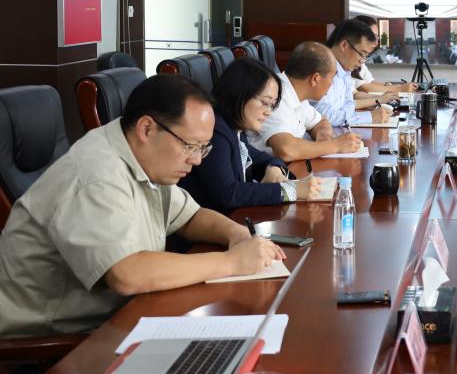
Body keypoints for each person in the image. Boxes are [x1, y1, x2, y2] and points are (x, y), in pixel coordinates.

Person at [0, 75, 285, 338]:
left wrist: (237, 235)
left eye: (203, 148)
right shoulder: (96, 175)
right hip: (54, 342)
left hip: (123, 316)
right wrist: (232, 262)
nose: (197, 160)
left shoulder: (145, 157)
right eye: (190, 146)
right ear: (146, 129)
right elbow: (127, 275)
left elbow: (190, 216)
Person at [179, 58, 323, 214]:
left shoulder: (234, 129)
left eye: (272, 105)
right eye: (265, 103)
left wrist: (274, 169)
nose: (268, 112)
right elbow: (228, 193)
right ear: (239, 93)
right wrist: (291, 190)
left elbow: (263, 159)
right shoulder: (215, 131)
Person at [249, 41, 362, 161]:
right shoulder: (275, 95)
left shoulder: (297, 93)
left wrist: (324, 140)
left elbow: (321, 122)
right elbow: (286, 150)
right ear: (315, 79)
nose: (332, 84)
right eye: (332, 78)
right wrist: (335, 146)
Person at [314, 20, 394, 125]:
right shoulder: (320, 68)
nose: (362, 61)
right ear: (344, 45)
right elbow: (325, 117)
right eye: (362, 54)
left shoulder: (345, 71)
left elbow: (349, 104)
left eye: (366, 56)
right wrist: (370, 117)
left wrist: (344, 114)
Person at [350, 14, 416, 95]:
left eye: (377, 37)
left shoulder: (360, 61)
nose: (376, 42)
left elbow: (370, 82)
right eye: (373, 37)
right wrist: (400, 89)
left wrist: (389, 86)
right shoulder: (346, 64)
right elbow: (364, 88)